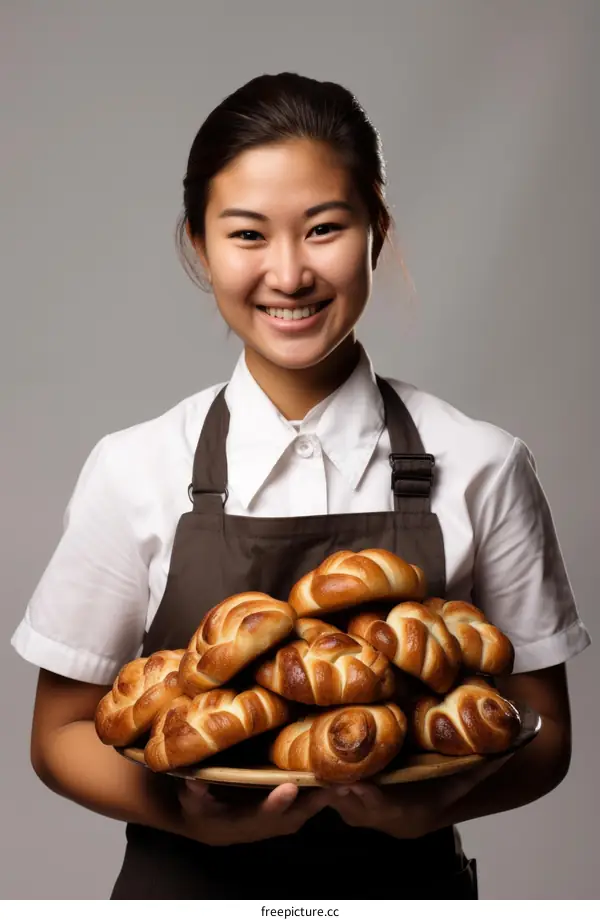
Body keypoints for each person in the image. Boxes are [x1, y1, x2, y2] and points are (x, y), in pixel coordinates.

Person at [12, 72, 591, 900]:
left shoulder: (483, 463)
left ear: (376, 233)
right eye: (247, 234)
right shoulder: (135, 466)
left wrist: (419, 815)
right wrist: (187, 818)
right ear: (198, 244)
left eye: (325, 228)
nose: (289, 274)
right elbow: (60, 733)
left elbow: (546, 734)